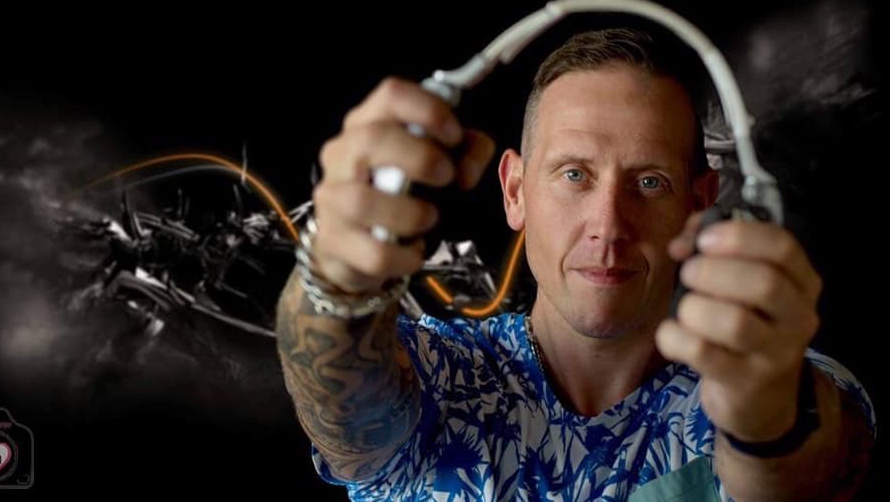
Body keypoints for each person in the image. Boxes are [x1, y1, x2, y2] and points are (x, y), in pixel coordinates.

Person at [275, 28, 876, 501]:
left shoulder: (774, 381)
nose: (608, 224)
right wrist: (333, 279)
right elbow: (342, 412)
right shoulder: (441, 379)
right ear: (515, 191)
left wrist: (767, 422)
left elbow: (805, 474)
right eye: (574, 175)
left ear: (699, 202)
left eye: (650, 181)